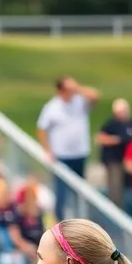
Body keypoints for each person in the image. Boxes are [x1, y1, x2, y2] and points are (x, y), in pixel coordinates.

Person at [37, 77, 100, 220]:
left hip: (79, 154)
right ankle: (60, 221)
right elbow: (42, 128)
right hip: (62, 156)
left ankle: (80, 220)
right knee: (61, 193)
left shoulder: (79, 101)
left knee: (80, 192)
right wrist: (47, 149)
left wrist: (78, 88)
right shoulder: (52, 107)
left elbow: (95, 96)